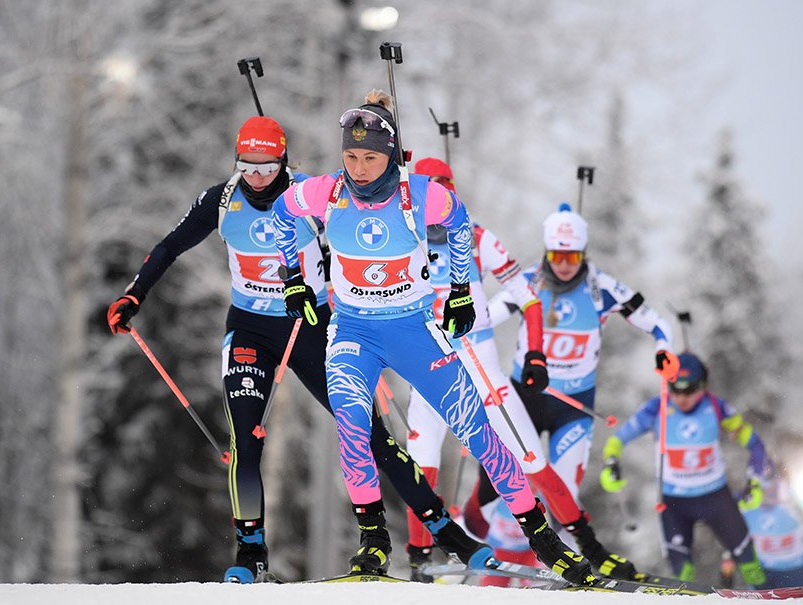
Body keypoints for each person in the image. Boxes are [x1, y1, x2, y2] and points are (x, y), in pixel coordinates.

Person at [106, 116, 484, 583]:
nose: (257, 177)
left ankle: (444, 532)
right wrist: (133, 295)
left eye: (267, 168)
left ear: (284, 162)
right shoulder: (220, 200)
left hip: (311, 326)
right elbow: (168, 247)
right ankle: (250, 553)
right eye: (247, 166)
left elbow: (371, 213)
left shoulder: (312, 195)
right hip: (249, 329)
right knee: (244, 438)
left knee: (370, 435)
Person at [270, 90, 595, 585]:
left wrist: (462, 289)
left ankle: (544, 540)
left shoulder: (418, 193)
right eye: (351, 156)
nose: (358, 167)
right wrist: (292, 276)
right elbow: (280, 215)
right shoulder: (325, 192)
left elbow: (459, 221)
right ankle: (375, 541)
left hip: (412, 328)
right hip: (354, 331)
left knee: (479, 432)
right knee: (354, 427)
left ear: (390, 154)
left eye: (370, 157)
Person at [402, 158, 638, 582]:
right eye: (425, 195)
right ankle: (419, 557)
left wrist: (535, 356)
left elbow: (527, 297)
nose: (433, 207)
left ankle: (591, 551)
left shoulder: (474, 238)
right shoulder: (402, 237)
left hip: (483, 370)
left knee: (533, 462)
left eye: (442, 194)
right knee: (422, 463)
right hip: (431, 366)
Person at [462, 202, 677, 532]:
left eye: (573, 257)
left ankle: (559, 561)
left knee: (563, 492)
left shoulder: (602, 288)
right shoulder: (528, 282)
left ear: (583, 254)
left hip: (574, 406)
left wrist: (664, 349)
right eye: (558, 256)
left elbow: (656, 322)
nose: (564, 265)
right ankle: (468, 542)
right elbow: (484, 317)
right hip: (525, 399)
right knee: (498, 481)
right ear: (547, 252)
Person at [599, 352, 770, 587]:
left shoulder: (718, 408)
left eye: (689, 390)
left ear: (703, 386)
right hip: (675, 503)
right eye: (675, 389)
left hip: (715, 496)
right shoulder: (655, 408)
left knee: (750, 563)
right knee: (681, 574)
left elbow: (756, 446)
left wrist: (756, 482)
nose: (681, 397)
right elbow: (617, 441)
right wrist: (611, 465)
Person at [736, 470, 803, 587]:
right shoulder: (746, 506)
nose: (769, 493)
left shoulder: (792, 501)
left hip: (796, 568)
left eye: (774, 488)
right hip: (765, 570)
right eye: (765, 489)